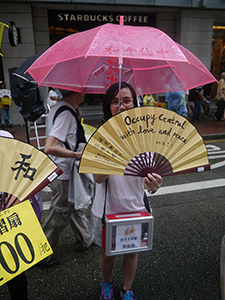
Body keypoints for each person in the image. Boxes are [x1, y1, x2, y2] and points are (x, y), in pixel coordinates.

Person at [91, 82, 162, 300]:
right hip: (108, 208)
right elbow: (98, 178)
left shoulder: (145, 137)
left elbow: (149, 181)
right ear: (108, 106)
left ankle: (127, 288)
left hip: (135, 207)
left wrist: (154, 184)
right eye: (115, 101)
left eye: (126, 101)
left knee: (132, 251)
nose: (121, 106)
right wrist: (114, 154)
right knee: (107, 253)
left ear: (135, 103)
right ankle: (106, 284)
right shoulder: (101, 137)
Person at [40, 89, 92, 268]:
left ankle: (84, 240)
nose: (85, 95)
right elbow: (49, 147)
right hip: (63, 170)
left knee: (72, 204)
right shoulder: (66, 114)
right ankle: (41, 254)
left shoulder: (60, 108)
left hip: (58, 168)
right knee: (60, 211)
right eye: (83, 92)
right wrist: (75, 155)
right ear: (76, 93)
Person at [0, 130, 28, 300]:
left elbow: (20, 177)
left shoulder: (5, 137)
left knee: (16, 276)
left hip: (6, 215)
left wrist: (15, 201)